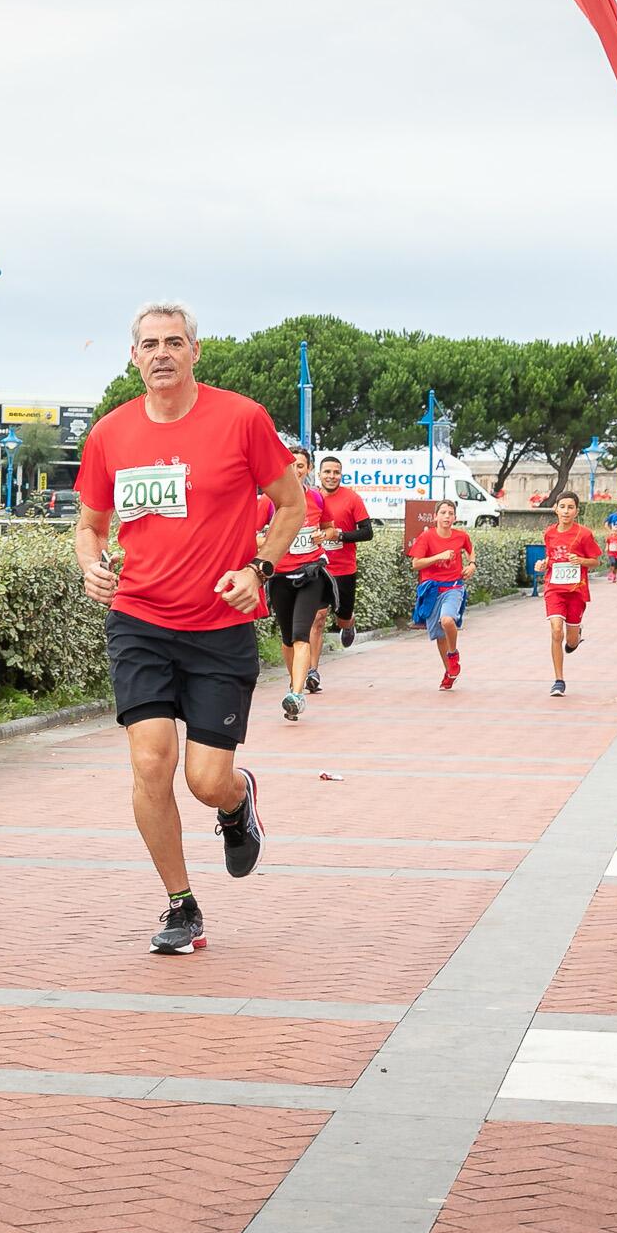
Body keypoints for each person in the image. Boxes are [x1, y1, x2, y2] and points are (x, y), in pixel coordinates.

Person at [74, 300, 303, 955]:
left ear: (195, 351)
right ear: (135, 357)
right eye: (150, 344)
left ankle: (236, 802)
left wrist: (258, 569)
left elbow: (287, 505)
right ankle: (181, 904)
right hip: (139, 620)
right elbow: (89, 527)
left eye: (175, 341)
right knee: (151, 762)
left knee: (205, 780)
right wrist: (92, 565)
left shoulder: (241, 420)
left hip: (219, 623)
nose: (162, 353)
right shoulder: (111, 435)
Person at [260, 447, 332, 719]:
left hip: (310, 572)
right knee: (288, 638)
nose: (295, 471)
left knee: (302, 633)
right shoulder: (268, 502)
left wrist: (323, 535)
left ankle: (298, 694)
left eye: (300, 466)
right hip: (279, 576)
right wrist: (271, 540)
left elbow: (329, 527)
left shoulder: (316, 499)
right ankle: (294, 683)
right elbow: (250, 536)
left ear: (308, 469)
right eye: (291, 466)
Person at [310, 454, 375, 669]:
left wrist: (339, 535)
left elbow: (367, 532)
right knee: (318, 618)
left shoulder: (352, 498)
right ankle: (312, 671)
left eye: (336, 472)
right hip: (318, 568)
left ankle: (348, 624)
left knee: (342, 617)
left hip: (344, 569)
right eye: (327, 472)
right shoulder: (311, 498)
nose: (331, 476)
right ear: (319, 474)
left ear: (341, 475)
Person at [533, 491, 601, 697]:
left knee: (570, 642)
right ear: (556, 509)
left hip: (575, 591)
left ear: (576, 511)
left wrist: (581, 561)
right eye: (562, 506)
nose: (566, 511)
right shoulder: (549, 533)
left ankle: (576, 637)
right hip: (554, 589)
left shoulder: (584, 534)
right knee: (556, 631)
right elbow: (550, 557)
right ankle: (559, 681)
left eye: (570, 507)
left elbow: (596, 561)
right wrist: (543, 564)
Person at [408, 498, 474, 690]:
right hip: (431, 590)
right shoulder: (426, 537)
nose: (447, 516)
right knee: (439, 635)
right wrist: (439, 556)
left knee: (447, 621)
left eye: (450, 513)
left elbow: (471, 551)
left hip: (453, 587)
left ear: (455, 517)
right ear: (435, 516)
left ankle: (453, 654)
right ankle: (449, 672)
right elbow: (416, 563)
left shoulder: (461, 536)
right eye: (443, 513)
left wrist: (472, 565)